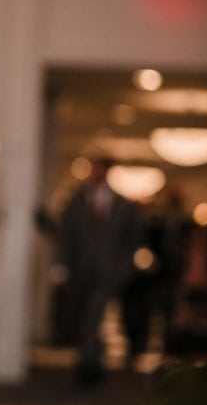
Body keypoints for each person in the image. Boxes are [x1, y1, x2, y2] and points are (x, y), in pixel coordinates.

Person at [56, 157, 142, 385]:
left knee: (94, 313)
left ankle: (89, 363)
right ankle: (92, 358)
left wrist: (123, 268)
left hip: (107, 270)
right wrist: (62, 265)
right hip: (80, 268)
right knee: (84, 315)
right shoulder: (77, 200)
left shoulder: (122, 204)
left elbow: (132, 239)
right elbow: (66, 235)